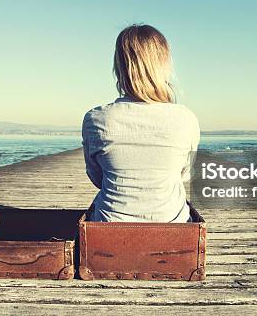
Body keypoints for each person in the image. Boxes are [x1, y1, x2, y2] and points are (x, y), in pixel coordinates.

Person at [82, 24, 200, 222]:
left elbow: (97, 178)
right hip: (173, 228)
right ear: (164, 66)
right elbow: (185, 173)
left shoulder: (96, 119)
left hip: (108, 231)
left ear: (119, 67)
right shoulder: (186, 118)